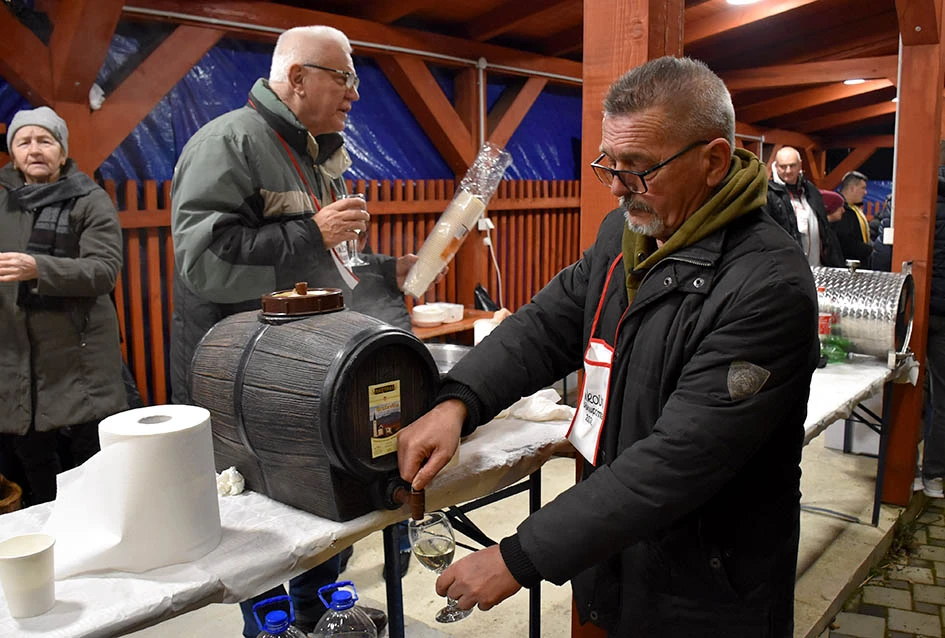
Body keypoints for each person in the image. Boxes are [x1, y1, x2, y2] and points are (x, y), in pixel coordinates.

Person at [398, 57, 819, 637]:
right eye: (609, 164)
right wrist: (458, 401)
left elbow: (678, 461)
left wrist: (520, 556)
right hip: (620, 557)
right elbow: (547, 325)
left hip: (711, 588)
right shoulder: (627, 238)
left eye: (638, 169)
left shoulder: (768, 286)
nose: (618, 187)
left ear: (714, 161)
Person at [169, 25, 420, 638]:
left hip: (305, 361)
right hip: (238, 367)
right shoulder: (228, 141)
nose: (356, 94)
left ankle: (320, 612)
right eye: (346, 78)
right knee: (257, 510)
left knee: (322, 492)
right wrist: (315, 231)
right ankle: (271, 628)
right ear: (298, 77)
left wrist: (388, 270)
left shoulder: (316, 153)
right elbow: (204, 262)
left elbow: (319, 266)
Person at [0, 106, 126, 505]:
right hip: (16, 358)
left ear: (62, 150)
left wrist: (40, 268)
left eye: (45, 140)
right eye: (25, 141)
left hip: (80, 359)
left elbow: (104, 270)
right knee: (35, 469)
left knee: (89, 470)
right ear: (13, 152)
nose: (35, 149)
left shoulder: (89, 200)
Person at [765, 146, 844, 267]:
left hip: (818, 266)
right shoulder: (768, 194)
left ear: (800, 165)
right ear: (776, 166)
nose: (788, 171)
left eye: (792, 165)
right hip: (788, 268)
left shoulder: (811, 190)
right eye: (783, 166)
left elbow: (824, 228)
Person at [920, 142, 945, 498]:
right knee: (942, 396)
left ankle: (907, 470)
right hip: (942, 312)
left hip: (917, 306)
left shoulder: (921, 204)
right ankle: (934, 473)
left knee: (912, 387)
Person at [831, 171, 873, 267]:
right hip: (847, 268)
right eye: (863, 188)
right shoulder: (838, 210)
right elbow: (845, 241)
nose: (865, 192)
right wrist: (869, 250)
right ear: (852, 188)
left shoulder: (854, 210)